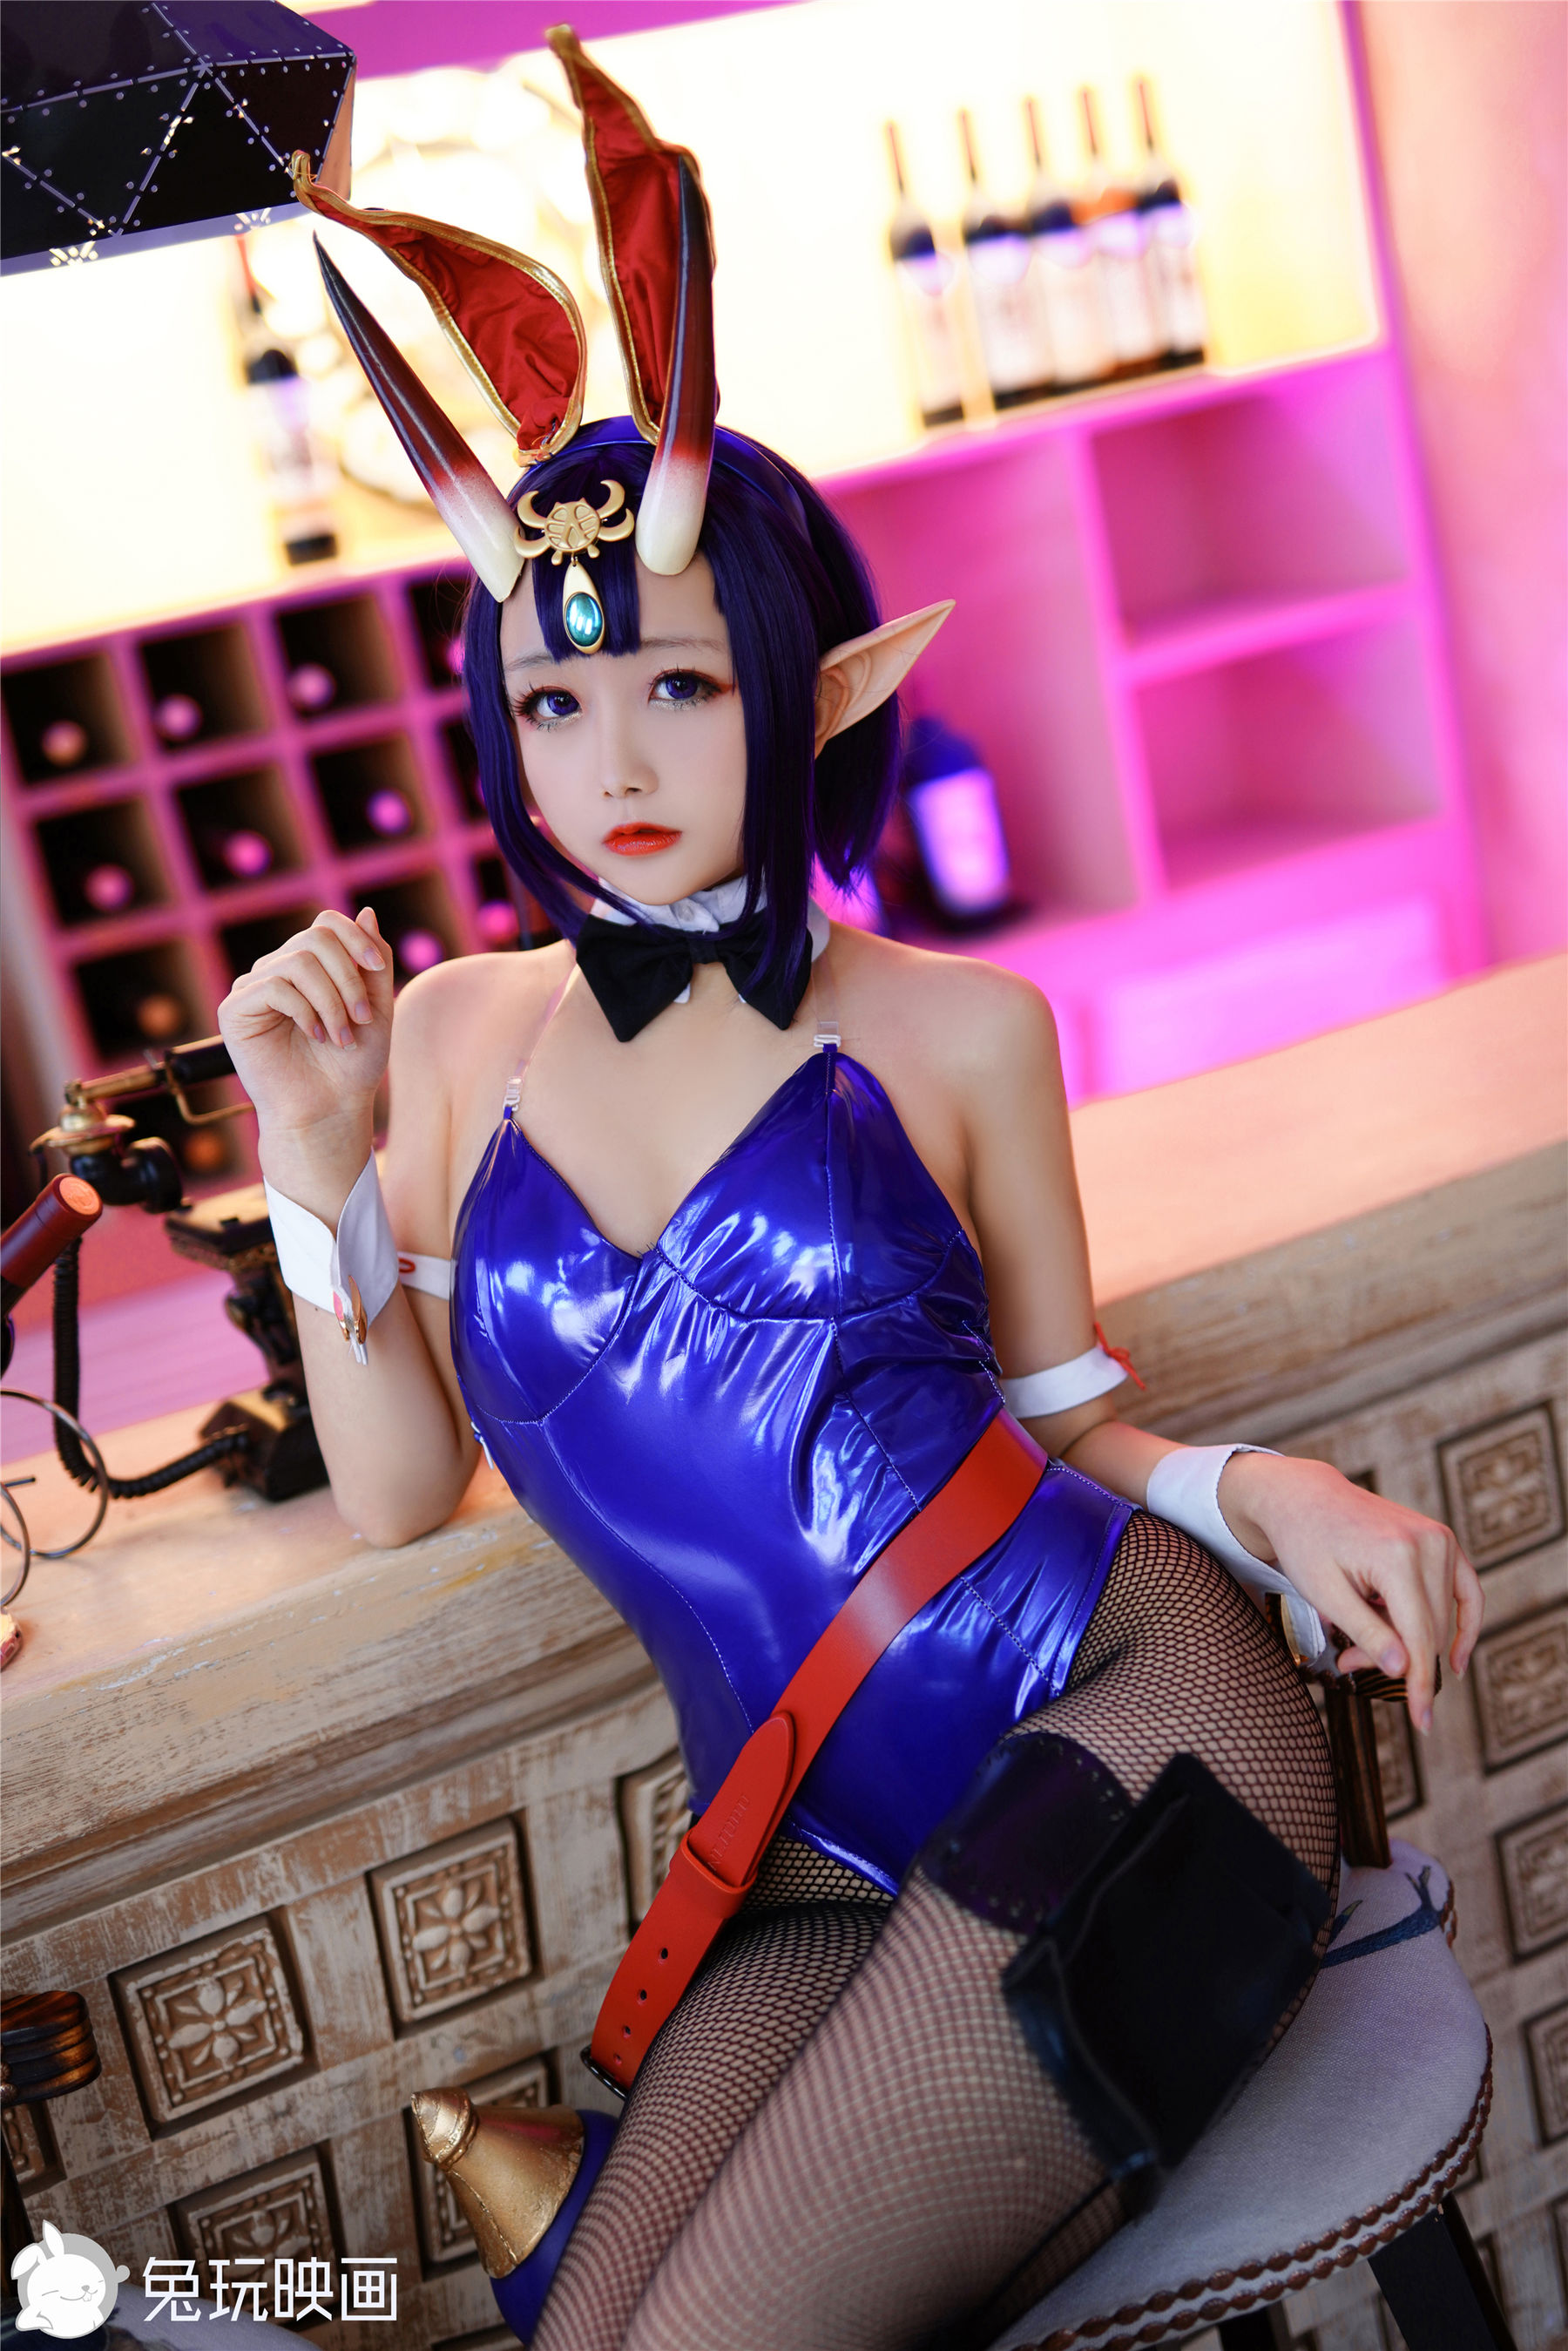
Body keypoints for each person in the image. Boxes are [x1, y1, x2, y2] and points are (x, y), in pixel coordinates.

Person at [219, 36, 1482, 2351]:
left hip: (1129, 1714)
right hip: (804, 1838)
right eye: (555, 705)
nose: (612, 764)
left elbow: (1054, 1422)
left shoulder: (958, 1028)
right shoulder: (453, 1042)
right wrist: (310, 1160)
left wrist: (1258, 1488)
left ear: (805, 689)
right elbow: (394, 1489)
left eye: (680, 691)